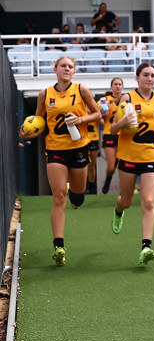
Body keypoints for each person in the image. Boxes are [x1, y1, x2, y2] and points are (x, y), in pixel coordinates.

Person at [19, 55, 101, 266]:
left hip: (79, 148)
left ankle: (76, 195)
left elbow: (98, 114)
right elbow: (38, 122)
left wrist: (80, 119)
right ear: (55, 69)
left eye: (70, 66)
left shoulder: (81, 89)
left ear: (74, 71)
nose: (67, 69)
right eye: (63, 65)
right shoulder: (44, 94)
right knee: (58, 196)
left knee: (78, 196)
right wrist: (28, 133)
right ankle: (59, 246)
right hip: (55, 149)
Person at [110, 62, 154, 265]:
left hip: (153, 155)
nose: (150, 78)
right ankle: (119, 210)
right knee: (126, 200)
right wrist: (122, 123)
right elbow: (112, 130)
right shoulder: (127, 98)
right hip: (128, 156)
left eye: (153, 75)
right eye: (146, 75)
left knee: (149, 201)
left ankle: (146, 246)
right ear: (137, 77)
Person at [101, 76, 125, 194]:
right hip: (109, 133)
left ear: (122, 87)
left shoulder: (126, 99)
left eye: (120, 84)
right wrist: (102, 110)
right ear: (111, 86)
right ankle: (108, 179)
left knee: (122, 164)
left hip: (123, 135)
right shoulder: (106, 99)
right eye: (115, 84)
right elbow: (93, 111)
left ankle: (124, 189)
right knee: (112, 167)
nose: (117, 86)